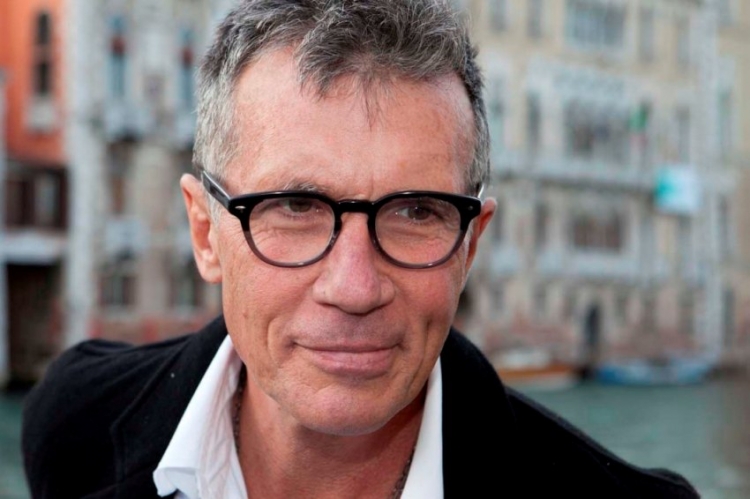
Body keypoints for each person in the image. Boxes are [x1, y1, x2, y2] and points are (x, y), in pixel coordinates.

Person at [22, 1, 699, 498]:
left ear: (470, 245)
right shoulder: (78, 420)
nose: (354, 286)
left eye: (416, 212)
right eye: (295, 206)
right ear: (205, 233)